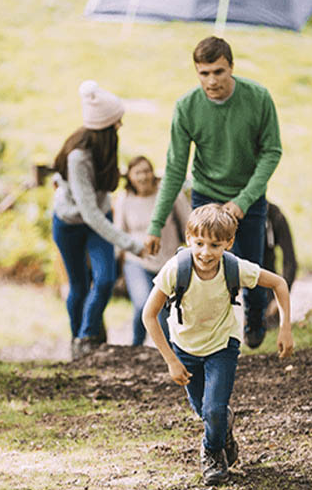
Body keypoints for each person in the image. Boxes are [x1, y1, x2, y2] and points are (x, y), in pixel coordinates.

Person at [144, 35, 282, 350]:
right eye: (204, 73)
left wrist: (243, 201)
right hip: (206, 194)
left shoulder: (258, 98)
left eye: (218, 72)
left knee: (250, 265)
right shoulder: (187, 107)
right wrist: (155, 225)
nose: (212, 80)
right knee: (203, 265)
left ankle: (256, 317)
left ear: (231, 67)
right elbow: (175, 169)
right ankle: (208, 335)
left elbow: (271, 152)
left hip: (248, 195)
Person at [142, 204, 293, 486]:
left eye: (214, 245)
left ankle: (212, 453)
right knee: (204, 410)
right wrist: (170, 360)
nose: (206, 252)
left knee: (212, 410)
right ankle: (223, 432)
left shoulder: (234, 268)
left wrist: (285, 328)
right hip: (185, 348)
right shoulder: (176, 269)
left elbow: (279, 283)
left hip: (222, 346)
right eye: (199, 243)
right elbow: (149, 315)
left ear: (228, 243)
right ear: (188, 239)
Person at [52, 80, 145, 360]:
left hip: (97, 220)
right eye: (117, 122)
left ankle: (89, 333)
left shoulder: (105, 147)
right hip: (70, 225)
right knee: (79, 285)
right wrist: (132, 244)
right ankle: (79, 340)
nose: (120, 126)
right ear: (105, 126)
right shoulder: (78, 156)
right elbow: (88, 212)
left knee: (105, 279)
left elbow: (99, 205)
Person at [113, 155, 191, 346]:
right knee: (142, 304)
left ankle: (168, 352)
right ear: (130, 176)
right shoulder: (125, 199)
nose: (143, 176)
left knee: (165, 312)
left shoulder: (170, 195)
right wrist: (115, 265)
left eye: (147, 171)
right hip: (137, 262)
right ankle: (136, 346)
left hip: (168, 264)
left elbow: (189, 225)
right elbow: (118, 234)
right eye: (138, 172)